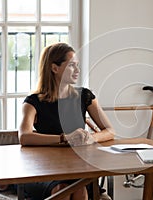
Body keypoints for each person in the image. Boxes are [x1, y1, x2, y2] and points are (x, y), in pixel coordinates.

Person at [18, 43, 115, 200]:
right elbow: (24, 137)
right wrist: (65, 138)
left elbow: (110, 130)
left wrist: (91, 138)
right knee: (61, 190)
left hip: (78, 168)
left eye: (77, 65)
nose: (77, 70)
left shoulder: (85, 96)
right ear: (54, 68)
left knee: (79, 189)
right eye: (71, 66)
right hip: (44, 170)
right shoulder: (33, 101)